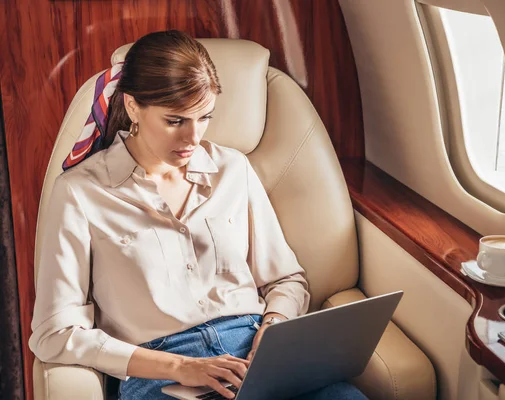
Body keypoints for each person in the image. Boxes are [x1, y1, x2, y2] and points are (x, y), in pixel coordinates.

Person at [29, 30, 368, 400]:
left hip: (256, 353)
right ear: (132, 107)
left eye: (204, 117)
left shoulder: (233, 170)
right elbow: (55, 333)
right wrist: (179, 367)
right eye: (175, 121)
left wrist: (274, 327)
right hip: (160, 373)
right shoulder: (81, 192)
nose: (193, 137)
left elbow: (286, 279)